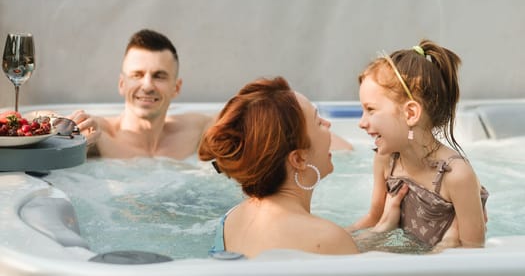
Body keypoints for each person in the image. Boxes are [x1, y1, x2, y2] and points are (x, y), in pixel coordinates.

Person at [198, 76, 407, 258]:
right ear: (298, 159)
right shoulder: (326, 238)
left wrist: (380, 230)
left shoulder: (232, 218)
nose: (328, 124)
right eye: (318, 122)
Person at [347, 40, 489, 249]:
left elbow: (474, 253)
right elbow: (373, 219)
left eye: (370, 110)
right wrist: (331, 239)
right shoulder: (386, 159)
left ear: (411, 113)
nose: (362, 122)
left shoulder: (455, 176)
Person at [69, 29, 214, 159]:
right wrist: (70, 130)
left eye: (159, 76)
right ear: (122, 84)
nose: (147, 86)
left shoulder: (194, 131)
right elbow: (49, 119)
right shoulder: (99, 135)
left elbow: (233, 118)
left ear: (176, 88)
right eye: (137, 75)